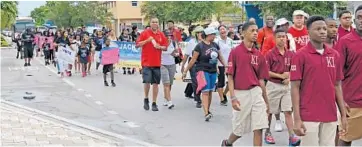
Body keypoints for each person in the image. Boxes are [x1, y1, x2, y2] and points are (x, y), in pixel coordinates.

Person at [290, 16, 347, 146]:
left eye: (324, 29)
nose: (322, 32)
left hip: (330, 114)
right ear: (308, 31)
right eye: (318, 29)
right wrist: (297, 119)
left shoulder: (334, 55)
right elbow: (294, 88)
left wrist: (343, 115)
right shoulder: (300, 55)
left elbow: (337, 85)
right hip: (308, 115)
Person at [221, 22, 269, 146]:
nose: (255, 33)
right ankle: (228, 142)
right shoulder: (235, 52)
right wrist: (232, 97)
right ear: (243, 33)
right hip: (241, 93)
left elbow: (261, 80)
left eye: (256, 31)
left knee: (259, 127)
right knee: (239, 129)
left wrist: (266, 101)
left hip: (256, 92)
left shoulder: (259, 55)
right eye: (252, 30)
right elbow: (230, 76)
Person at [264, 28, 300, 145]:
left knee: (288, 111)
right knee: (270, 111)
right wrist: (280, 76)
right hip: (273, 85)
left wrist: (289, 77)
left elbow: (296, 70)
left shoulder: (291, 54)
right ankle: (267, 132)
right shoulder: (270, 54)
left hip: (286, 86)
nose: (282, 39)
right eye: (279, 36)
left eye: (284, 36)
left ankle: (291, 136)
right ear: (274, 39)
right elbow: (266, 71)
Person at [182, 27, 227, 121]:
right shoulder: (199, 46)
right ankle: (206, 113)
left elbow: (220, 57)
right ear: (208, 35)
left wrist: (226, 66)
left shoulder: (215, 45)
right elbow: (193, 60)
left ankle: (208, 110)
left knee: (210, 91)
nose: (215, 36)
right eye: (213, 34)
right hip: (202, 70)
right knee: (205, 91)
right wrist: (185, 70)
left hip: (212, 71)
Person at [335, 5, 362, 146]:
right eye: (359, 17)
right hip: (352, 102)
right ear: (354, 20)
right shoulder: (345, 41)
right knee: (345, 138)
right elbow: (336, 74)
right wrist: (340, 100)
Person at [136, 17, 168, 111]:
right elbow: (137, 45)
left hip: (157, 62)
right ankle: (146, 99)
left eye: (156, 22)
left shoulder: (161, 34)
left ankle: (154, 102)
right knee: (146, 81)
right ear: (150, 23)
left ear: (158, 24)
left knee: (155, 83)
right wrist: (147, 41)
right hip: (146, 62)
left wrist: (160, 47)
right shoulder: (145, 33)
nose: (155, 23)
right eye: (153, 22)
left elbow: (165, 47)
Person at [180, 26, 204, 108]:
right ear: (196, 34)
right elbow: (186, 54)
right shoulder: (192, 42)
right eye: (199, 32)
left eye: (202, 32)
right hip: (193, 62)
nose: (201, 34)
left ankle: (194, 94)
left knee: (202, 81)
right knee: (195, 81)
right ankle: (198, 99)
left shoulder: (205, 42)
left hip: (202, 62)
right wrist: (183, 65)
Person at [215, 25, 233, 106]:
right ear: (219, 32)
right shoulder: (217, 41)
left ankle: (224, 94)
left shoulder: (230, 40)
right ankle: (222, 99)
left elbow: (232, 52)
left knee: (231, 81)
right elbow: (215, 54)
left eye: (224, 29)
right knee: (221, 82)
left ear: (226, 30)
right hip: (220, 64)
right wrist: (216, 66)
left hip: (229, 64)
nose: (222, 30)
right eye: (221, 29)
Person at [161, 32, 178, 109]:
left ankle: (166, 98)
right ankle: (170, 102)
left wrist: (176, 54)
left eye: (170, 36)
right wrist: (170, 52)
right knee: (166, 83)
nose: (168, 37)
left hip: (172, 64)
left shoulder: (174, 43)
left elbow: (177, 52)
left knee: (170, 84)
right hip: (162, 65)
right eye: (167, 36)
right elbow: (161, 52)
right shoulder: (160, 43)